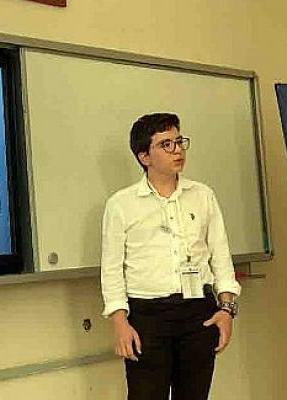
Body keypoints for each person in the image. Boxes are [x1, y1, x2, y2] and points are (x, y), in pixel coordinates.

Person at [100, 113, 241, 400]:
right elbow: (112, 269)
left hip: (198, 313)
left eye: (179, 141)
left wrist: (226, 310)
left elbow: (221, 258)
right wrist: (120, 322)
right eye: (166, 144)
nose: (177, 150)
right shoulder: (121, 204)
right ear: (144, 156)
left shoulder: (202, 195)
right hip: (147, 316)